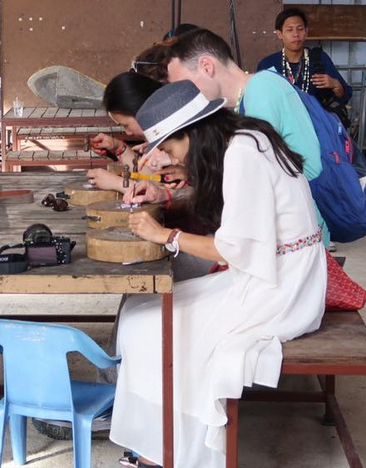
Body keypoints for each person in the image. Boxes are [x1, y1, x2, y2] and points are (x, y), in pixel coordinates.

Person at [111, 80, 327, 467]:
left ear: (192, 134)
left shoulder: (243, 154)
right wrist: (170, 187)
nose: (174, 158)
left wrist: (165, 235)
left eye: (174, 149)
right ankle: (161, 441)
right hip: (279, 272)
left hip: (281, 289)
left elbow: (235, 249)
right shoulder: (244, 137)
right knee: (138, 311)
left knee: (149, 329)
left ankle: (170, 452)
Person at [159, 27, 330, 246]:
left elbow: (257, 178)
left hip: (295, 238)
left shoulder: (261, 91)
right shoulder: (242, 101)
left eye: (184, 85)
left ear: (207, 66)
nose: (183, 96)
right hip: (279, 233)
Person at [257, 8, 352, 123]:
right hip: (280, 128)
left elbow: (346, 95)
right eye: (289, 30)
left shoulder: (319, 59)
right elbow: (259, 100)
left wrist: (335, 84)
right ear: (279, 34)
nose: (296, 34)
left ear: (306, 32)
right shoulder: (268, 64)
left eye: (300, 29)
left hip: (317, 127)